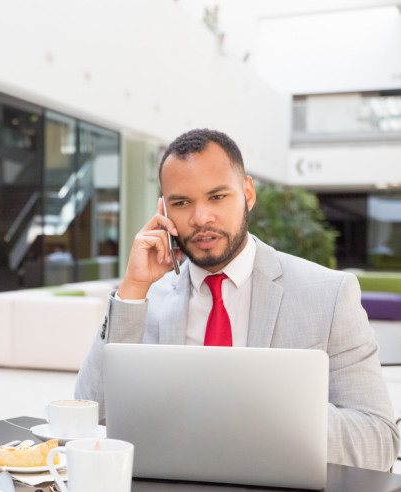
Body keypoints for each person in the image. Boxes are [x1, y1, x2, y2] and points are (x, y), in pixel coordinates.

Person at [74, 128, 400, 472]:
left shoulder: (329, 295)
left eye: (217, 196)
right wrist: (132, 289)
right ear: (163, 210)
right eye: (182, 202)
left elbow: (378, 442)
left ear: (248, 193)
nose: (201, 218)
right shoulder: (144, 299)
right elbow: (87, 418)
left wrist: (261, 411)